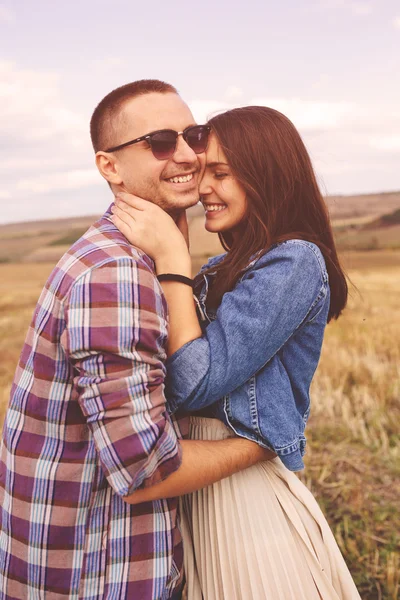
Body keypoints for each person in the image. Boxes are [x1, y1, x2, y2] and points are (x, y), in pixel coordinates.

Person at [0, 82, 273, 600]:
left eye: (193, 136)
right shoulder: (118, 275)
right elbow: (146, 469)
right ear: (110, 167)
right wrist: (262, 444)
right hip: (98, 573)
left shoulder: (124, 257)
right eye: (161, 142)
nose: (190, 154)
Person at [111, 105, 362, 599]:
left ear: (267, 176)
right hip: (198, 483)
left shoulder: (294, 259)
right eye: (205, 172)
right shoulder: (220, 267)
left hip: (246, 501)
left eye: (220, 174)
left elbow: (195, 382)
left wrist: (172, 264)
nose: (204, 187)